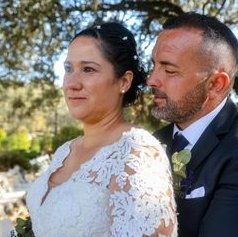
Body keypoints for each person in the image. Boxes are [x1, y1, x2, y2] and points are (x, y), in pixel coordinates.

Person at [148, 12, 238, 237]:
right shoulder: (152, 143)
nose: (152, 79)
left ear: (216, 84)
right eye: (154, 65)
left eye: (169, 70)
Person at [24, 22, 177, 237]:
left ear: (124, 81)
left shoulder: (136, 153)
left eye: (88, 69)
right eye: (69, 69)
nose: (72, 83)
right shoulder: (64, 151)